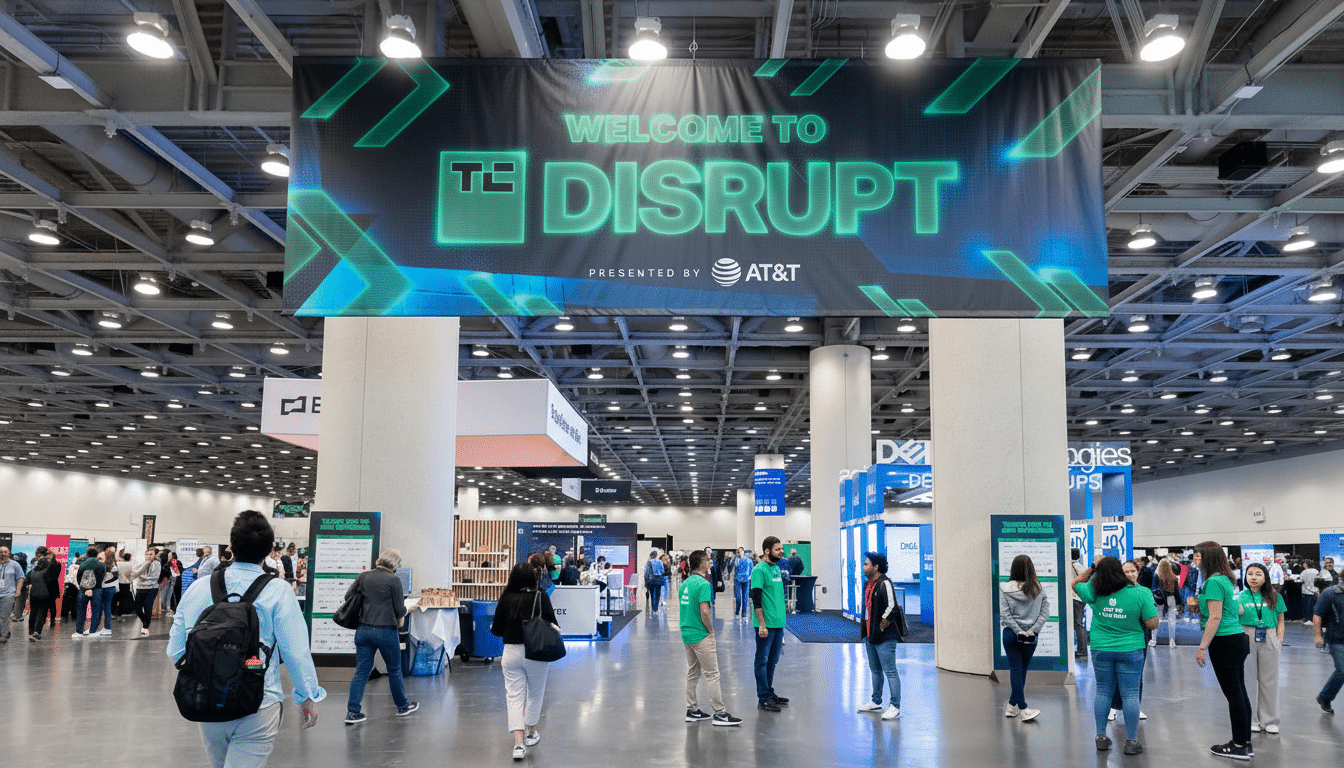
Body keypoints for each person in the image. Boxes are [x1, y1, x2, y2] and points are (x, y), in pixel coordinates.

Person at [169, 510, 323, 767]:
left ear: (231, 546)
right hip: (259, 701)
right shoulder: (279, 591)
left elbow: (176, 650)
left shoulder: (199, 587)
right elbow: (295, 651)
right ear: (268, 550)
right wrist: (308, 696)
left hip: (206, 701)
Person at [1072, 556, 1158, 755]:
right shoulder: (1141, 593)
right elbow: (1153, 623)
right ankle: (1131, 741)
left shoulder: (1095, 591)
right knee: (1130, 693)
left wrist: (1092, 567)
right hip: (1131, 648)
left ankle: (1101, 736)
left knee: (1103, 691)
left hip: (1101, 648)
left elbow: (1076, 583)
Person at [491, 562, 559, 761]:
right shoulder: (541, 597)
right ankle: (531, 733)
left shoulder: (506, 598)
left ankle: (518, 745)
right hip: (536, 652)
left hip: (511, 652)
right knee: (535, 694)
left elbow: (496, 629)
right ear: (533, 577)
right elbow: (554, 624)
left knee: (513, 696)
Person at [1193, 540, 1253, 760]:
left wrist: (1202, 647)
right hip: (1236, 637)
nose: (1194, 560)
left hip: (1224, 640)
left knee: (1234, 694)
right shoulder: (1226, 580)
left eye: (1197, 556)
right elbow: (1236, 608)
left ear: (1208, 557)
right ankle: (1244, 742)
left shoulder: (1213, 583)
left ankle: (1238, 745)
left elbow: (1216, 616)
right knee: (1239, 691)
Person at [345, 548, 417, 725]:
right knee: (394, 669)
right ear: (395, 564)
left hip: (363, 630)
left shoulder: (364, 576)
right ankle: (402, 706)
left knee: (362, 670)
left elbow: (348, 596)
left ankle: (353, 712)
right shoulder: (394, 580)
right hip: (385, 631)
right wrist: (409, 608)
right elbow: (400, 610)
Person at [679, 550, 742, 727]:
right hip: (701, 634)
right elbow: (705, 611)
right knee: (712, 674)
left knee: (692, 672)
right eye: (707, 561)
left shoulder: (685, 584)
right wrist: (711, 631)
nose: (710, 564)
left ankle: (692, 710)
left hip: (687, 633)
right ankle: (720, 713)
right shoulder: (704, 584)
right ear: (700, 563)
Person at [999, 554, 1048, 723]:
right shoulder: (1038, 588)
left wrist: (1019, 630)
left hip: (1011, 634)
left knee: (1016, 670)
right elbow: (1045, 612)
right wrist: (1032, 630)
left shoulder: (1005, 588)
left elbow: (1005, 614)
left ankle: (1012, 706)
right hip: (1031, 636)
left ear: (1013, 569)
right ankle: (1024, 708)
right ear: (1032, 569)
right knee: (1022, 670)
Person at [1237, 562, 1285, 735]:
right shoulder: (1241, 596)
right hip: (1246, 635)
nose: (1254, 577)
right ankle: (1251, 719)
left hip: (1269, 635)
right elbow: (1236, 615)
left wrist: (1279, 639)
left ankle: (1270, 720)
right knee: (1247, 679)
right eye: (1250, 574)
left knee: (1269, 680)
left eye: (1258, 574)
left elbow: (1281, 620)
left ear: (1265, 577)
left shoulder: (1274, 596)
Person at [858, 552, 903, 721]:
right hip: (870, 636)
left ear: (876, 567)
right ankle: (876, 701)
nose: (864, 567)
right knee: (875, 670)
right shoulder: (867, 584)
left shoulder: (885, 583)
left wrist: (881, 627)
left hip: (884, 637)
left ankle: (895, 706)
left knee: (890, 671)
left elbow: (892, 608)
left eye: (866, 564)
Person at [1109, 560, 1151, 721]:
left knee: (1137, 674)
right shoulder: (1115, 592)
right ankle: (1113, 706)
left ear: (1138, 572)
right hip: (1118, 638)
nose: (1130, 574)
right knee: (1114, 673)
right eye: (1126, 572)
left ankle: (1135, 707)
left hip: (1140, 637)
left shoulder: (1144, 592)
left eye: (1133, 571)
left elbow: (1151, 619)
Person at [751, 536, 788, 712]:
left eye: (781, 549)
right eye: (777, 549)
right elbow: (756, 599)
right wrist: (762, 624)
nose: (781, 552)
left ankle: (769, 691)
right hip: (766, 624)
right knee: (762, 660)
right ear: (767, 551)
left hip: (778, 622)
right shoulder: (759, 570)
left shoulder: (776, 568)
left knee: (772, 660)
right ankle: (763, 697)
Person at [1313, 578, 1344, 714]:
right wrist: (1318, 635)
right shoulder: (1330, 593)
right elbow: (1317, 615)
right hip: (1336, 638)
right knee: (1342, 670)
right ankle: (1325, 697)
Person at [27, 547, 61, 641]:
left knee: (37, 611)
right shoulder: (49, 566)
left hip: (39, 591)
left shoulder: (36, 565)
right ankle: (36, 631)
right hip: (44, 592)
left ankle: (33, 630)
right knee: (41, 611)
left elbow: (29, 576)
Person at [73, 547, 106, 638]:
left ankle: (79, 632)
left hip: (83, 590)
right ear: (97, 554)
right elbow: (102, 577)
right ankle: (92, 631)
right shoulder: (101, 565)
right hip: (97, 590)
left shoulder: (82, 564)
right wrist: (93, 587)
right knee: (96, 610)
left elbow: (78, 577)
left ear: (87, 554)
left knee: (81, 610)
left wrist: (84, 588)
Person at [131, 547, 161, 636]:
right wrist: (145, 565)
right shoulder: (140, 563)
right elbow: (135, 573)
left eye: (151, 554)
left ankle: (145, 626)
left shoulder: (157, 564)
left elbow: (156, 577)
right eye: (147, 554)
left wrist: (142, 577)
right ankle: (145, 621)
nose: (149, 556)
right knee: (137, 608)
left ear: (154, 555)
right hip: (140, 588)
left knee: (148, 607)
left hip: (152, 588)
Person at [0, 546, 25, 644]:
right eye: (1, 552)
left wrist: (18, 591)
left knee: (4, 615)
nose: (3, 554)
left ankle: (4, 634)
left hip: (8, 594)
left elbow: (21, 578)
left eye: (5, 552)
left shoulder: (15, 564)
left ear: (9, 553)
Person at [1155, 559, 1180, 647]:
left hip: (1160, 599)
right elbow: (1176, 592)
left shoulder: (1157, 576)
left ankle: (1154, 639)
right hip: (1171, 598)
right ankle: (1172, 640)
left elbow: (1153, 589)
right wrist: (1179, 603)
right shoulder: (1174, 578)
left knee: (1156, 619)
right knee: (1172, 620)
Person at [1069, 548, 1088, 657]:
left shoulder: (1074, 566)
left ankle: (1082, 650)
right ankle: (1081, 650)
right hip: (1079, 599)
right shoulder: (1079, 565)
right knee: (1078, 623)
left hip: (1075, 598)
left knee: (1078, 624)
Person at [1300, 560, 1321, 626]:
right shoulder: (1316, 571)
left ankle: (1308, 619)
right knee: (1313, 606)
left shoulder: (1303, 572)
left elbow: (1301, 580)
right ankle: (1313, 619)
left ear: (1306, 564)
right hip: (1314, 591)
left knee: (1306, 606)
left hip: (1306, 591)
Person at [733, 548, 752, 619]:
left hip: (746, 580)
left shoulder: (748, 560)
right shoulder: (735, 560)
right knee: (738, 598)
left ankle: (744, 613)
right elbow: (730, 568)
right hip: (737, 580)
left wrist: (749, 578)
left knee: (745, 597)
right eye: (738, 552)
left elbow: (751, 570)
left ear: (743, 552)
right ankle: (737, 610)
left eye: (741, 551)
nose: (739, 553)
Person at [116, 551, 135, 617]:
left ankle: (119, 611)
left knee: (120, 596)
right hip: (127, 582)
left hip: (119, 582)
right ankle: (127, 610)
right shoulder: (131, 564)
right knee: (126, 596)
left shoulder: (118, 564)